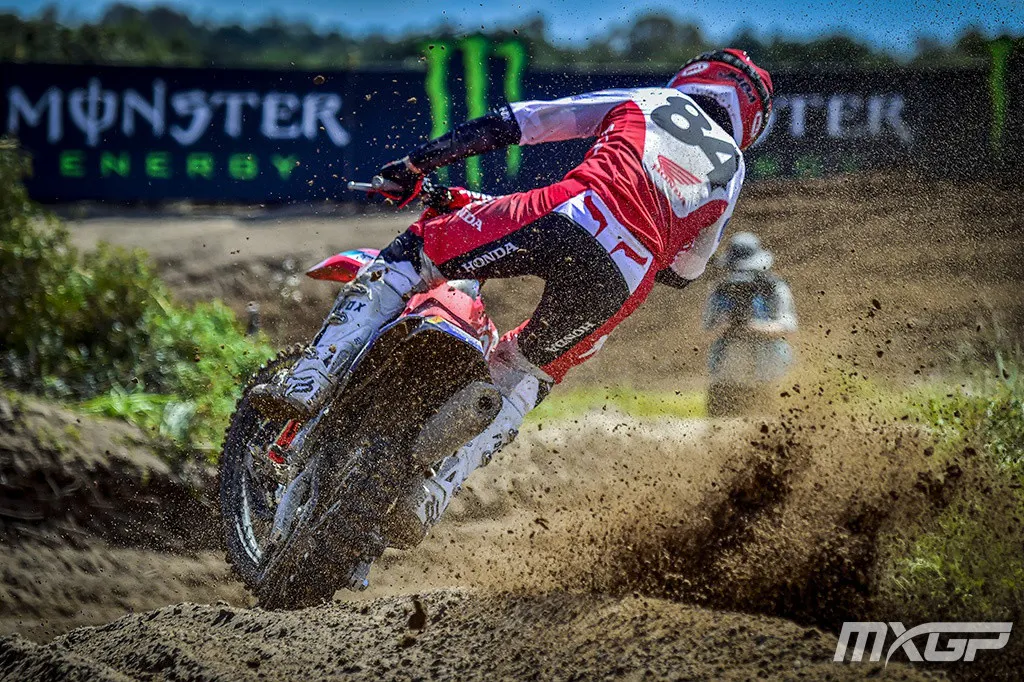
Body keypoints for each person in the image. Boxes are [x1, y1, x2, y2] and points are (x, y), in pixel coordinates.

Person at [252, 49, 774, 539]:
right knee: (525, 376)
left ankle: (312, 377)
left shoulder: (654, 100)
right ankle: (433, 491)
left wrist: (418, 165)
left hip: (571, 209)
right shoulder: (732, 170)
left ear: (700, 76)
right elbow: (687, 269)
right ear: (749, 119)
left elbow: (524, 121)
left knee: (416, 252)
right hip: (625, 276)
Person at [702, 232, 797, 416]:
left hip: (768, 371)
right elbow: (705, 333)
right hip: (728, 374)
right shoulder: (720, 290)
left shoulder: (774, 288)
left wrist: (752, 327)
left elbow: (788, 327)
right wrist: (725, 327)